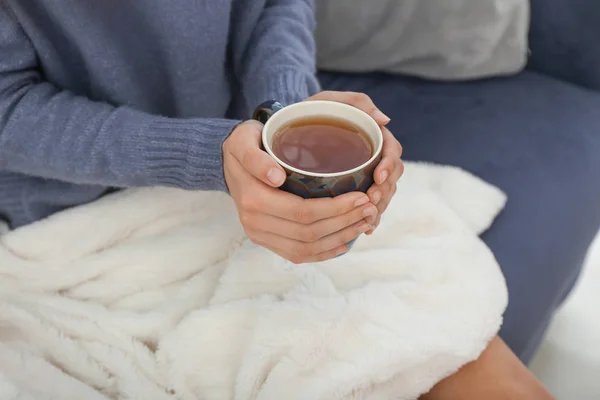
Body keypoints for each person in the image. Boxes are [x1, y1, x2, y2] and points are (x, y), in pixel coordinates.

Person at [0, 1, 553, 398]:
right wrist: (206, 155)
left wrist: (284, 117)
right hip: (78, 223)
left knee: (470, 359)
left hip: (243, 147)